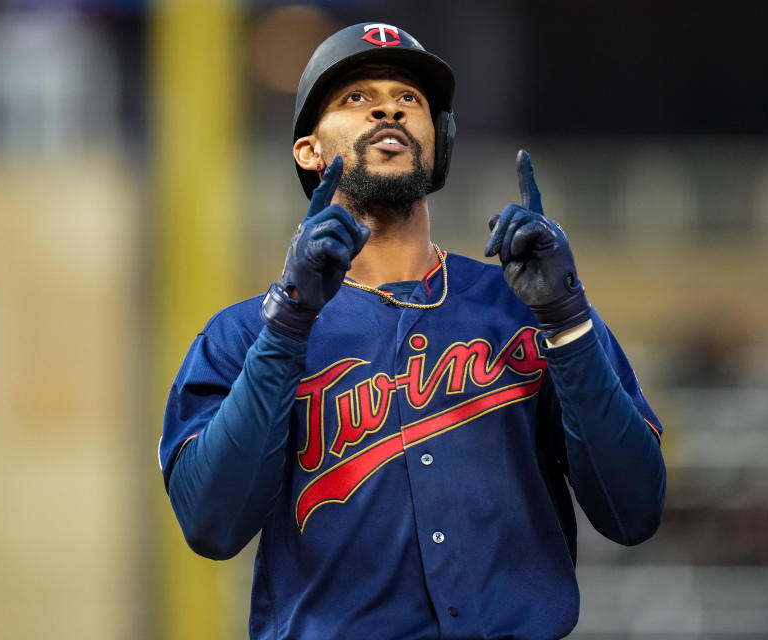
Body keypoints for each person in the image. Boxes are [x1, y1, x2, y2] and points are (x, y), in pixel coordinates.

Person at [159, 22, 665, 640]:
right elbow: (212, 524)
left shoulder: (526, 307)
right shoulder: (243, 334)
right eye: (355, 97)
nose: (387, 107)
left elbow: (632, 509)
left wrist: (567, 319)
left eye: (410, 99)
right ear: (308, 151)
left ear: (437, 143)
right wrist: (288, 324)